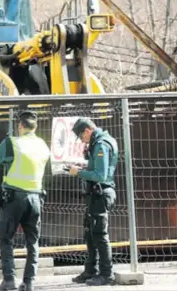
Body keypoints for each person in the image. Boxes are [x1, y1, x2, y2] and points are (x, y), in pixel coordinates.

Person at [0, 110, 51, 291]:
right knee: (32, 241)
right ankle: (29, 282)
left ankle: (9, 280)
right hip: (36, 198)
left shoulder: (12, 143)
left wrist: (5, 148)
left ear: (20, 126)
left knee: (6, 238)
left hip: (15, 198)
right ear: (35, 126)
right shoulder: (43, 145)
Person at [68, 117, 118, 286]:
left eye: (81, 137)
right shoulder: (100, 142)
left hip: (101, 193)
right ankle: (91, 270)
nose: (82, 141)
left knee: (100, 234)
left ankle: (106, 274)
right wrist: (83, 167)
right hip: (96, 194)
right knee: (90, 234)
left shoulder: (101, 144)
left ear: (87, 131)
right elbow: (96, 167)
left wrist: (79, 173)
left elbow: (100, 175)